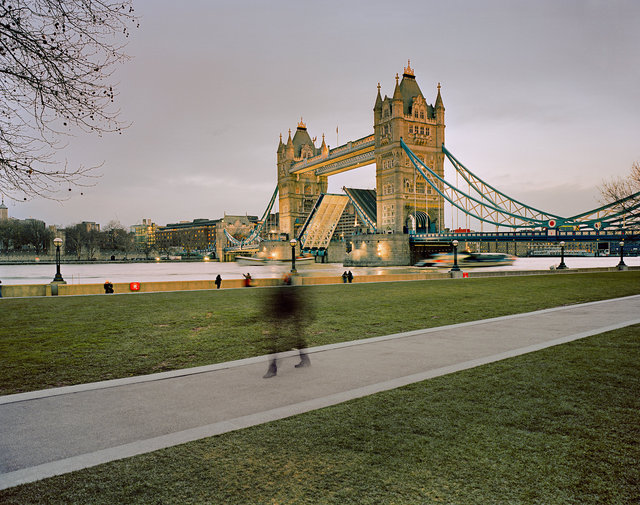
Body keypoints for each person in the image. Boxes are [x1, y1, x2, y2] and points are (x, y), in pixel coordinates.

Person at [262, 279, 313, 378]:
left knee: (276, 343)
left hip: (287, 320)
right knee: (296, 340)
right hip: (289, 320)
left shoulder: (284, 292)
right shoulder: (292, 292)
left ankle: (272, 369)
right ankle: (305, 360)